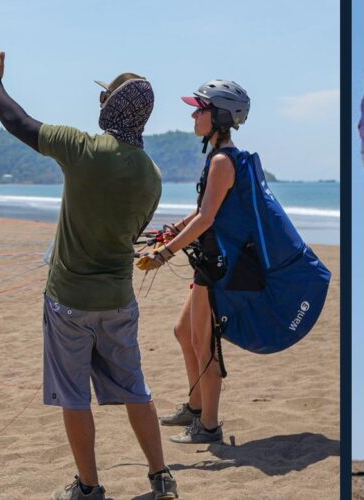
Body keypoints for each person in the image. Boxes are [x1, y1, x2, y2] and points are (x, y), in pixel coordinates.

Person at [0, 52, 177, 500]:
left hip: (68, 301)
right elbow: (133, 233)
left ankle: (89, 487)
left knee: (74, 396)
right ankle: (160, 476)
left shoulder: (81, 148)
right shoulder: (152, 175)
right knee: (136, 389)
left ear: (110, 107)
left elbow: (20, 123)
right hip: (119, 300)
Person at [136, 79, 251, 444]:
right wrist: (170, 233)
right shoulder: (218, 158)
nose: (193, 114)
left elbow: (206, 220)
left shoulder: (221, 161)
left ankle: (209, 426)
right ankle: (196, 406)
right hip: (208, 260)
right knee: (183, 332)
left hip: (215, 266)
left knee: (204, 344)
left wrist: (164, 254)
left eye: (199, 109)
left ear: (217, 116)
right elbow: (202, 212)